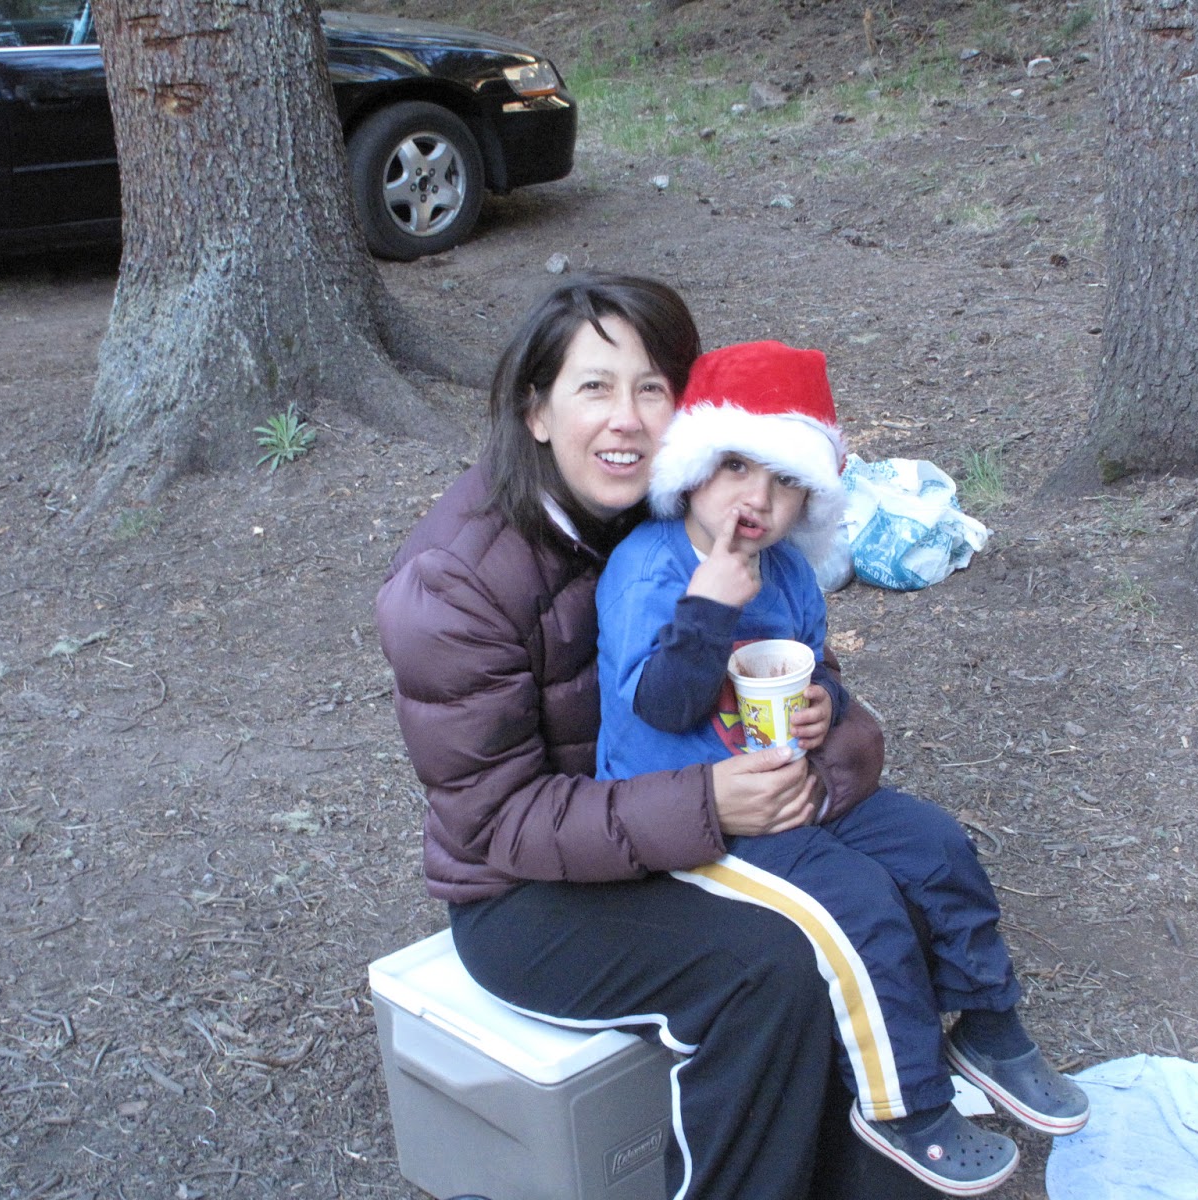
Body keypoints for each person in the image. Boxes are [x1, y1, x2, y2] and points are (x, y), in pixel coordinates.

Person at [373, 275, 892, 1200]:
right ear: (535, 411)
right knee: (762, 969)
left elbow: (788, 664)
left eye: (652, 388)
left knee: (885, 878)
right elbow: (498, 823)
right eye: (593, 387)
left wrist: (836, 729)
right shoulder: (452, 586)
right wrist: (703, 802)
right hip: (526, 894)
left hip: (674, 826)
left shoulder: (692, 514)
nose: (626, 418)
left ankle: (870, 1164)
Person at [594, 341, 1090, 1196]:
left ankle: (989, 1021)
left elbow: (814, 668)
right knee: (861, 904)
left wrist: (823, 701)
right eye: (737, 467)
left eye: (785, 482)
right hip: (696, 814)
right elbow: (665, 703)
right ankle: (906, 1104)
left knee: (933, 845)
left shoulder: (788, 571)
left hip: (795, 784)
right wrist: (711, 599)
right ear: (693, 468)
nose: (758, 498)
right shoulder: (651, 566)